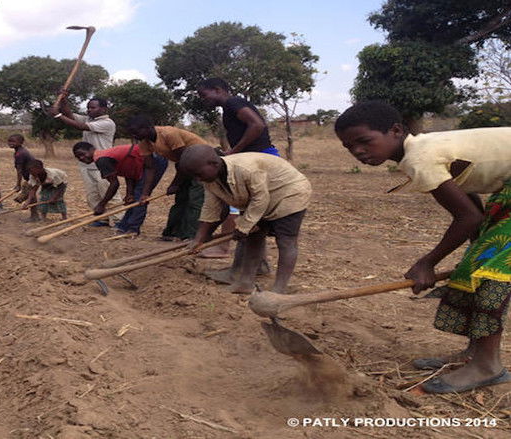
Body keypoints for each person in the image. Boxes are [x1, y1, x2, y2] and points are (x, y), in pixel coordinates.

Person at [335, 100, 511, 394]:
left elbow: (468, 216)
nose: (357, 151)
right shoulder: (424, 148)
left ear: (395, 131)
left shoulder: (420, 157)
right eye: (349, 147)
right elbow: (468, 199)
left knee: (489, 275)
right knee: (475, 265)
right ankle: (475, 354)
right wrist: (475, 247)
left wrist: (427, 263)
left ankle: (487, 366)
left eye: (364, 141)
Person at [180, 145, 311, 295]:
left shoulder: (246, 169)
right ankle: (245, 282)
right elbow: (211, 208)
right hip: (258, 199)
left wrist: (243, 227)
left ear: (213, 164)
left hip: (289, 193)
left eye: (198, 174)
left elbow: (260, 199)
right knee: (253, 238)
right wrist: (200, 237)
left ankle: (279, 290)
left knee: (286, 240)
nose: (197, 179)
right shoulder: (209, 179)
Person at [197, 77, 280, 259]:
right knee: (251, 214)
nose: (203, 100)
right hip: (256, 159)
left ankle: (226, 250)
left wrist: (234, 152)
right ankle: (256, 264)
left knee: (239, 206)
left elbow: (257, 125)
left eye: (204, 95)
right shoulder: (229, 108)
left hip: (259, 160)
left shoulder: (233, 103)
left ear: (217, 89)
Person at [127, 115, 209, 241]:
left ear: (148, 127)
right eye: (132, 133)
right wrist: (145, 193)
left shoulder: (169, 134)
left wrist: (175, 184)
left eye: (136, 132)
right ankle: (173, 233)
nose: (134, 136)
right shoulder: (144, 143)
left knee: (195, 200)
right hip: (185, 166)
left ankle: (193, 235)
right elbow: (150, 168)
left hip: (202, 163)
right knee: (181, 199)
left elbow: (183, 160)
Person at [53, 96, 122, 226]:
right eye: (88, 107)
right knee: (92, 195)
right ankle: (102, 219)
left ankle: (118, 219)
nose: (89, 110)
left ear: (103, 109)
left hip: (102, 164)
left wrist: (58, 115)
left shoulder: (107, 123)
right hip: (87, 164)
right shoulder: (89, 119)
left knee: (108, 193)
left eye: (93, 107)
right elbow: (70, 115)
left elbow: (80, 126)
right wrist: (63, 99)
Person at [72, 141, 168, 235]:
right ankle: (124, 226)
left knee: (140, 196)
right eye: (78, 157)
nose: (81, 158)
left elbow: (114, 184)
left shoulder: (102, 160)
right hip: (147, 162)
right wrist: (129, 193)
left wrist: (102, 204)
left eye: (82, 154)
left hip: (153, 161)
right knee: (134, 197)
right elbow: (128, 172)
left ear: (92, 149)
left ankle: (132, 228)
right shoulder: (103, 157)